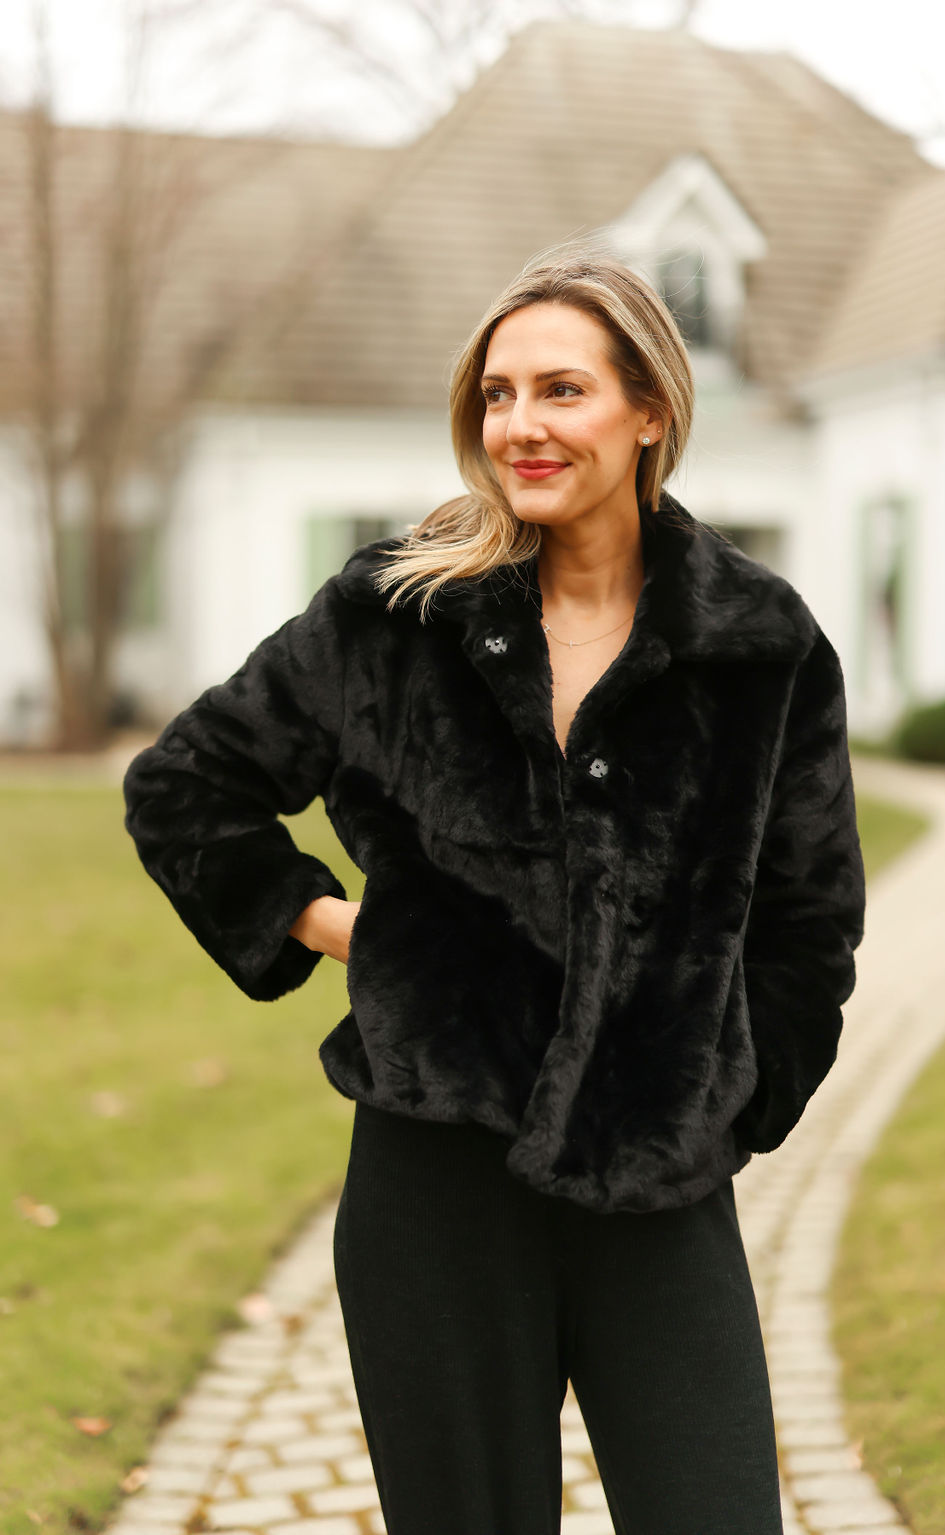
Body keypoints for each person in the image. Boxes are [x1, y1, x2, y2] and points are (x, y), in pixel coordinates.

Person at [123, 245, 866, 1535]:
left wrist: (739, 1099)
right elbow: (183, 787)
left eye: (561, 390)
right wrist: (340, 925)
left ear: (650, 413)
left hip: (661, 1184)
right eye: (497, 392)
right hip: (435, 1194)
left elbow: (811, 917)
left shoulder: (761, 642)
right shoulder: (394, 615)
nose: (519, 424)